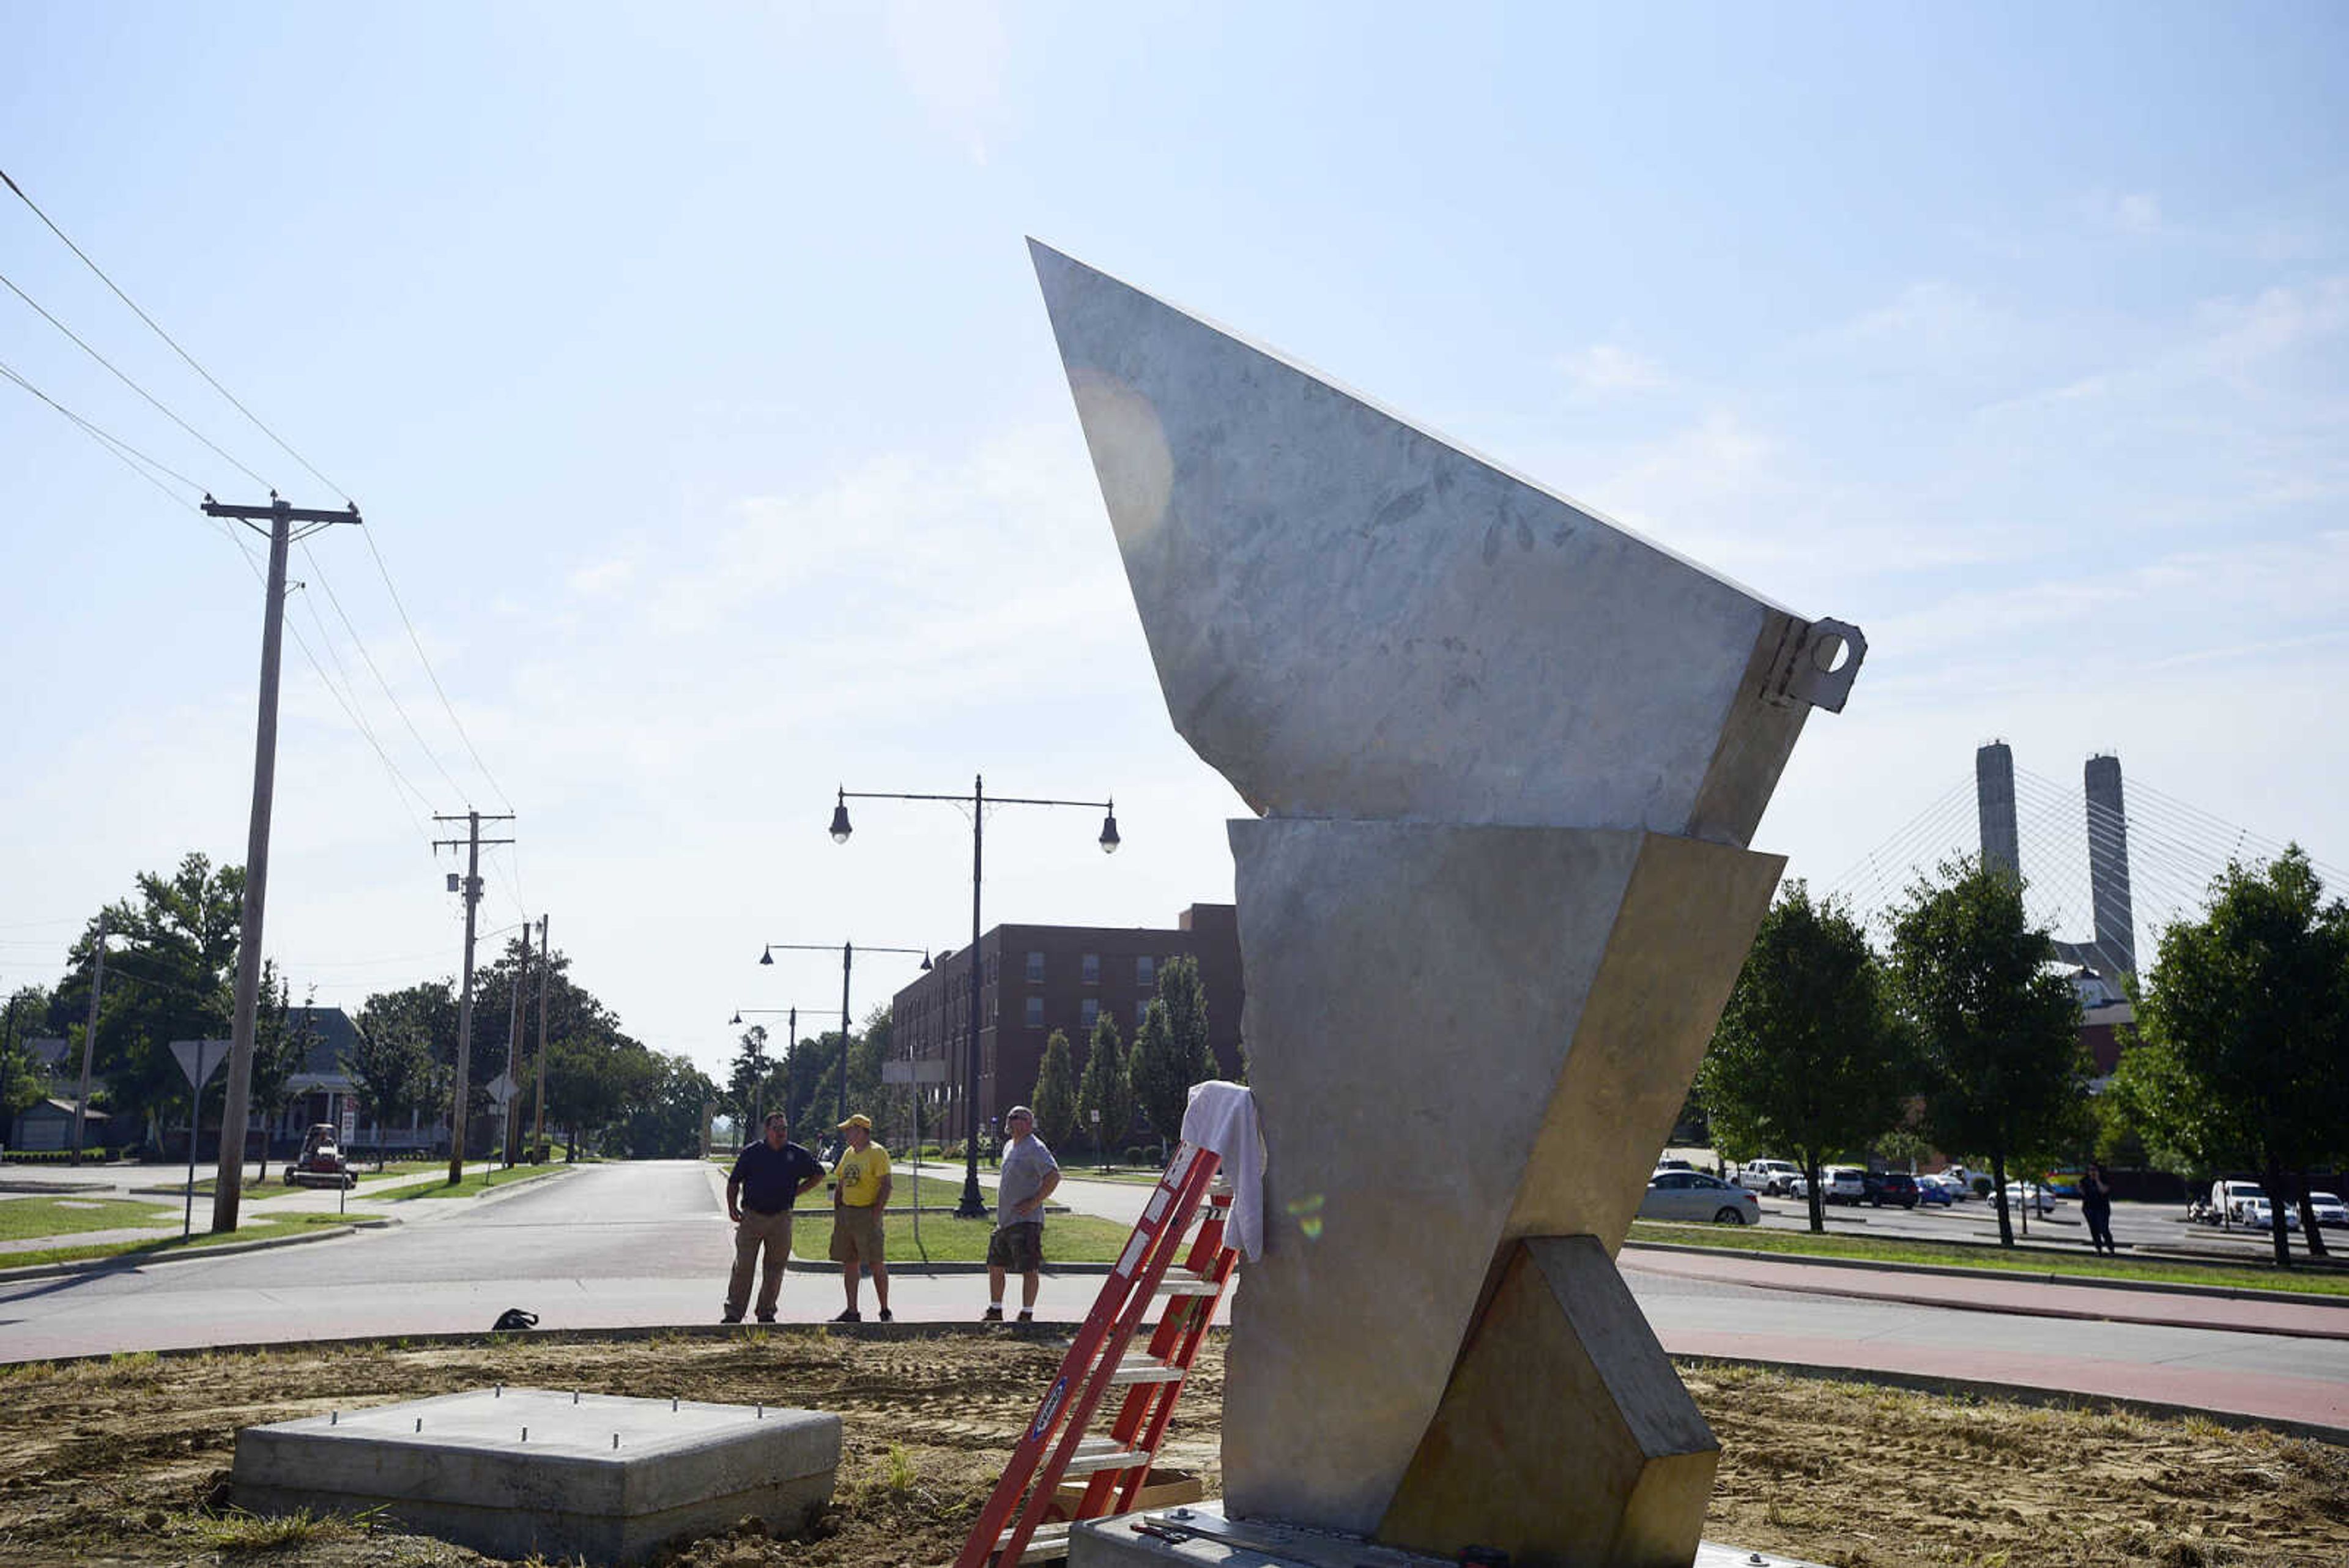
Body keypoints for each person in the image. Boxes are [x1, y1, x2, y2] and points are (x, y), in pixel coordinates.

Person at [724, 1111, 825, 1324]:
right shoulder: (752, 1153)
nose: (781, 1133)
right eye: (776, 1129)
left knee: (775, 1268)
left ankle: (766, 1312)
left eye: (784, 1129)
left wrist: (796, 1192)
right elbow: (734, 1181)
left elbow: (818, 1174)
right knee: (744, 1267)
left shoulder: (796, 1154)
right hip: (752, 1217)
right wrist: (732, 1208)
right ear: (766, 1130)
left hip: (781, 1218)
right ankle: (734, 1313)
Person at [985, 1104, 1061, 1323]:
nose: (1009, 1120)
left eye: (1015, 1117)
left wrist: (1034, 1202)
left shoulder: (1035, 1148)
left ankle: (1027, 1313)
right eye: (1009, 1116)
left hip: (1026, 1221)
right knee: (995, 1265)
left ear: (1028, 1123)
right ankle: (995, 1310)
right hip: (1005, 1221)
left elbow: (1053, 1176)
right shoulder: (1009, 1146)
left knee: (1029, 1268)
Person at [828, 1112, 892, 1323]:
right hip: (848, 1214)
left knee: (875, 1262)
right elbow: (840, 1183)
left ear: (862, 1131)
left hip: (868, 1213)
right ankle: (852, 1311)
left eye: (850, 1130)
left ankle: (885, 1310)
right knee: (850, 1262)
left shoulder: (877, 1153)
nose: (846, 1134)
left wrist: (876, 1213)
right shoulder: (849, 1153)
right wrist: (838, 1210)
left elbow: (886, 1185)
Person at [2080, 1162, 2117, 1255]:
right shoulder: (2085, 1180)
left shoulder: (2104, 1180)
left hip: (2102, 1208)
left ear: (2099, 1171)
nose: (2092, 1172)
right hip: (2089, 1208)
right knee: (2094, 1230)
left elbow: (2104, 1190)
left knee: (2104, 1229)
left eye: (2094, 1170)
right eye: (2090, 1170)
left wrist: (2097, 1180)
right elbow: (2083, 1193)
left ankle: (2111, 1248)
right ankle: (2099, 1249)